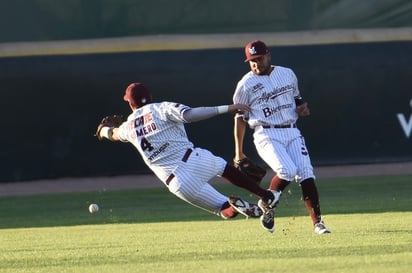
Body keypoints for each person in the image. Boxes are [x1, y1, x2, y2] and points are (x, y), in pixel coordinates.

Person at [97, 82, 278, 227]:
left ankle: (235, 208)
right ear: (150, 97)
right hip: (193, 159)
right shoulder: (161, 108)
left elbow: (113, 134)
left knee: (221, 209)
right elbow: (190, 115)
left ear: (130, 102)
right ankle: (264, 195)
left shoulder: (128, 127)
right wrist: (227, 108)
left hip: (177, 182)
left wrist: (103, 130)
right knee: (224, 168)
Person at [232, 40, 331, 234]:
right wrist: (238, 152)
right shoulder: (245, 84)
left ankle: (318, 223)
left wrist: (302, 108)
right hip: (266, 133)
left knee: (305, 172)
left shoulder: (287, 73)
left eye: (259, 59)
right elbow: (239, 118)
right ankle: (266, 203)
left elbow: (297, 99)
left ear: (268, 55)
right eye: (252, 61)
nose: (256, 64)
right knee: (286, 170)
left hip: (292, 130)